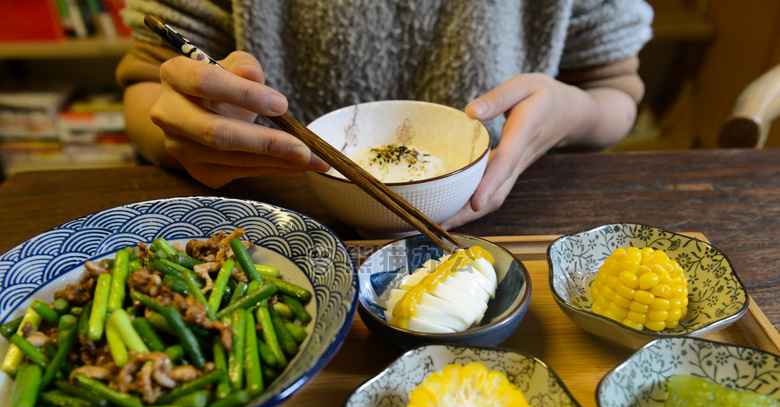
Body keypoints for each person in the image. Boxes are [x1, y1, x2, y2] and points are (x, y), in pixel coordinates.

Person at [116, 0, 654, 229]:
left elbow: (615, 89)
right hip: (286, 227)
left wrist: (576, 112)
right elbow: (147, 81)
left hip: (501, 227)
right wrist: (188, 129)